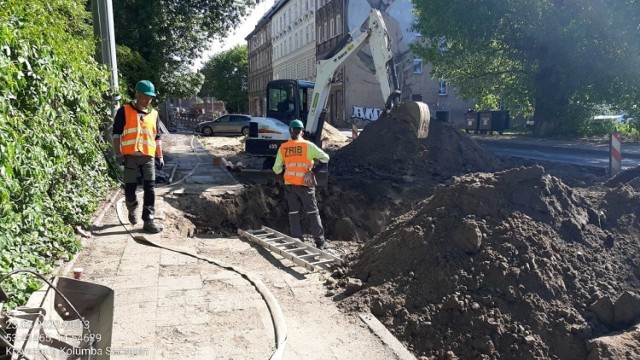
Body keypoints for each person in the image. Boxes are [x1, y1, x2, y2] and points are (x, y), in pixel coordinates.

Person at [112, 80, 164, 234]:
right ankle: (131, 206)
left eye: (150, 97)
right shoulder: (124, 111)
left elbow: (157, 137)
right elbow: (116, 134)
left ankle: (148, 221)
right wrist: (118, 154)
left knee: (150, 188)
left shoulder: (154, 114)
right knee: (130, 187)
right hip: (130, 157)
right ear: (137, 94)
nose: (148, 100)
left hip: (148, 157)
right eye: (145, 96)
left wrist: (160, 156)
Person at [272, 120, 330, 249]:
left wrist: (284, 174)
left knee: (293, 213)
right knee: (313, 212)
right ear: (302, 132)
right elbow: (326, 158)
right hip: (305, 185)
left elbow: (276, 169)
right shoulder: (308, 146)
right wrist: (313, 171)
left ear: (290, 131)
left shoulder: (284, 147)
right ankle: (320, 242)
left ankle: (297, 240)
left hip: (290, 185)